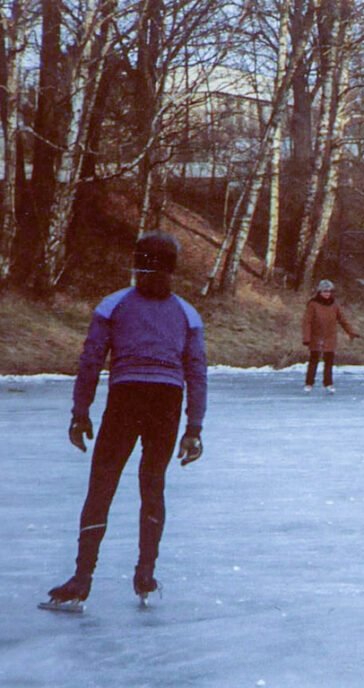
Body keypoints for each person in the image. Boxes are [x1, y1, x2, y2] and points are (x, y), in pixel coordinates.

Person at [43, 233, 207, 610]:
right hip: (166, 403)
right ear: (174, 269)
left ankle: (82, 578)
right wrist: (194, 428)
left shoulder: (113, 305)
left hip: (126, 399)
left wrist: (80, 412)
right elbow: (196, 373)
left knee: (102, 486)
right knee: (153, 486)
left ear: (136, 264)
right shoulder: (186, 313)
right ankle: (145, 575)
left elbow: (91, 360)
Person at [302, 279, 360, 393]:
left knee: (329, 361)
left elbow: (342, 320)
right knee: (314, 360)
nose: (327, 294)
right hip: (316, 336)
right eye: (324, 291)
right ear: (320, 292)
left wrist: (350, 332)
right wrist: (306, 337)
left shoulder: (334, 305)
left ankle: (328, 383)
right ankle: (309, 383)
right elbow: (306, 322)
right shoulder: (313, 304)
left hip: (330, 337)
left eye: (329, 291)